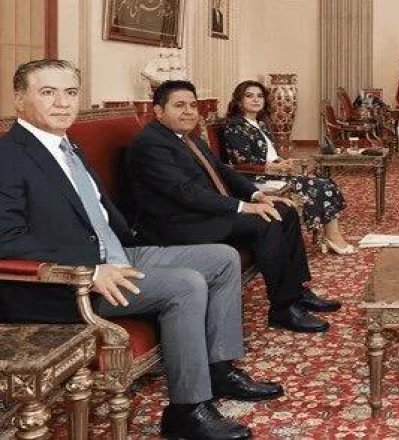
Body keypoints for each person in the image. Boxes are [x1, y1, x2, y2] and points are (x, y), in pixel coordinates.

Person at [0, 59, 281, 440]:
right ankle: (187, 410)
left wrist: (125, 242)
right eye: (48, 92)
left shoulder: (65, 145)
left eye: (70, 92)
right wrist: (90, 270)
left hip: (117, 252)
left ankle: (219, 369)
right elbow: (6, 236)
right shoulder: (9, 155)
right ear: (19, 99)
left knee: (222, 258)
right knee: (186, 285)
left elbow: (96, 212)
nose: (62, 103)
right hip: (70, 281)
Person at [126, 80, 341, 334]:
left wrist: (258, 195)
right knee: (265, 222)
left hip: (201, 213)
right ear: (159, 111)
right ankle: (283, 309)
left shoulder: (187, 138)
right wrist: (242, 207)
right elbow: (185, 192)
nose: (189, 111)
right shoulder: (151, 144)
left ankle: (297, 291)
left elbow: (222, 170)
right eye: (179, 105)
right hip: (177, 224)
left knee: (285, 210)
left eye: (193, 105)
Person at [222, 80, 354, 254]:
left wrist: (281, 162)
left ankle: (330, 235)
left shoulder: (260, 123)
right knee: (321, 186)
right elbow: (241, 163)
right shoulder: (235, 127)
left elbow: (269, 154)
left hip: (272, 173)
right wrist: (272, 168)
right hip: (255, 178)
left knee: (326, 181)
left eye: (260, 96)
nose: (256, 99)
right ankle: (332, 237)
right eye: (249, 96)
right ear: (239, 101)